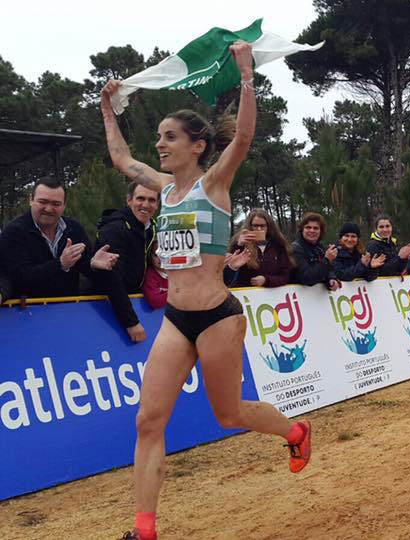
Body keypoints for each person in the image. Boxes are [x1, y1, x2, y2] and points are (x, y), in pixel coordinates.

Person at [100, 42, 310, 540]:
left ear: (196, 146)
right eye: (159, 137)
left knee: (228, 413)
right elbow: (120, 156)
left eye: (169, 137)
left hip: (218, 316)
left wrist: (245, 74)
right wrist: (108, 109)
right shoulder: (160, 187)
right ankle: (144, 530)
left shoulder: (213, 185)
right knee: (149, 421)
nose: (160, 145)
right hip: (175, 319)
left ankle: (296, 432)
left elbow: (242, 136)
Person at [0, 176, 118, 298]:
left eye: (56, 204)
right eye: (43, 202)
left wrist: (94, 265)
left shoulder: (74, 229)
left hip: (67, 309)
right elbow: (17, 278)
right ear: (31, 200)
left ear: (64, 205)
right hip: (26, 311)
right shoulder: (13, 232)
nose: (49, 209)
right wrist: (60, 264)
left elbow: (86, 268)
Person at [95, 182, 160, 343]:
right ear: (129, 200)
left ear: (157, 204)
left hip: (137, 303)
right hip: (103, 308)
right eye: (140, 198)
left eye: (151, 200)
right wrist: (131, 322)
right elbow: (111, 279)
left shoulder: (152, 228)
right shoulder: (115, 228)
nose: (145, 205)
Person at [224, 209, 293, 288]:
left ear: (269, 226)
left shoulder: (278, 245)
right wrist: (238, 245)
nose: (259, 229)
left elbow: (285, 276)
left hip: (273, 295)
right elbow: (227, 274)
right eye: (255, 226)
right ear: (250, 226)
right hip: (245, 295)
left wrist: (266, 280)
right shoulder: (240, 243)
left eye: (262, 226)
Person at [290, 212, 340, 290]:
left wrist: (331, 278)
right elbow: (307, 278)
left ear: (321, 231)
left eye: (316, 228)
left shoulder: (320, 247)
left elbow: (328, 269)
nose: (312, 231)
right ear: (302, 230)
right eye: (308, 227)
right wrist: (327, 259)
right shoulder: (295, 249)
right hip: (297, 296)